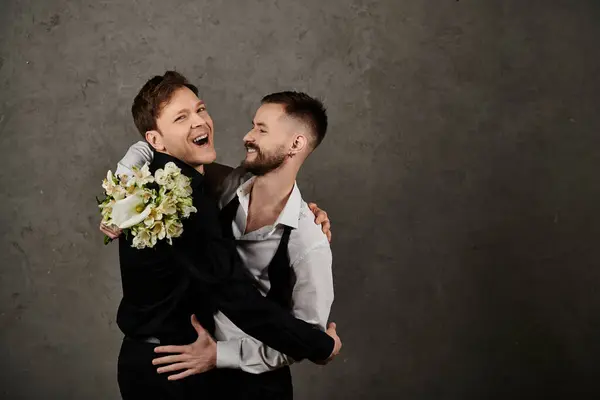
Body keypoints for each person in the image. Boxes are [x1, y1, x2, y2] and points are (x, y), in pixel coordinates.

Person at [103, 71, 341, 399]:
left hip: (225, 375)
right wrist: (321, 346)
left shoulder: (216, 185)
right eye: (181, 117)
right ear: (156, 140)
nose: (200, 121)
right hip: (166, 369)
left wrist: (305, 215)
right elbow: (236, 297)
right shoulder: (180, 199)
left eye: (200, 110)